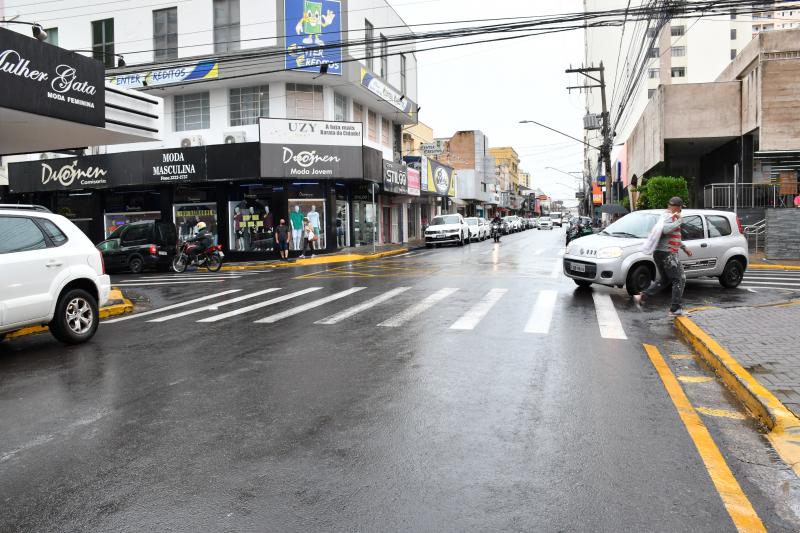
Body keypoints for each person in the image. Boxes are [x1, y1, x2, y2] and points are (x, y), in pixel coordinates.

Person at [633, 197, 694, 316]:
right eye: (680, 207)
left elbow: (671, 236)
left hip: (662, 253)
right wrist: (679, 221)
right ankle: (675, 309)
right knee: (679, 279)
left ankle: (642, 296)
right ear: (676, 206)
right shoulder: (669, 216)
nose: (681, 210)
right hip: (667, 254)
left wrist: (684, 247)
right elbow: (666, 230)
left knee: (665, 280)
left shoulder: (668, 216)